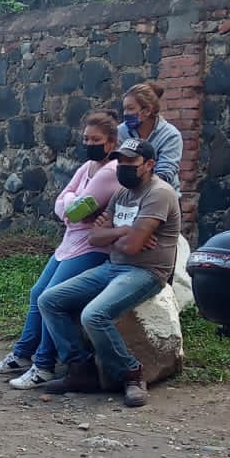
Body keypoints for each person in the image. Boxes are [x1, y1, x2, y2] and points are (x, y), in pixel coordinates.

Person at [37, 138, 182, 408]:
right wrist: (125, 232)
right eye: (121, 161)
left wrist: (117, 235)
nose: (123, 166)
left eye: (131, 162)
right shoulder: (121, 194)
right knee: (49, 300)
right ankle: (81, 370)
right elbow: (95, 238)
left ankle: (131, 374)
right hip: (113, 266)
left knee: (94, 314)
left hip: (146, 271)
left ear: (149, 165)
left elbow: (133, 246)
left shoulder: (159, 194)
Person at [0, 112, 123, 388]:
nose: (89, 143)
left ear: (111, 142)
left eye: (95, 139)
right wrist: (72, 206)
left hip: (92, 245)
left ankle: (44, 364)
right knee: (37, 292)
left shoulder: (110, 173)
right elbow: (64, 206)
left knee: (51, 298)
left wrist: (70, 206)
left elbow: (69, 207)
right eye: (86, 138)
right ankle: (23, 353)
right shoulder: (88, 167)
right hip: (71, 241)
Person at [121, 82, 183, 189]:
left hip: (162, 194)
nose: (125, 113)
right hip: (127, 193)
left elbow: (165, 173)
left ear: (147, 111)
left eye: (130, 108)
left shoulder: (170, 135)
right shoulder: (121, 131)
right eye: (124, 109)